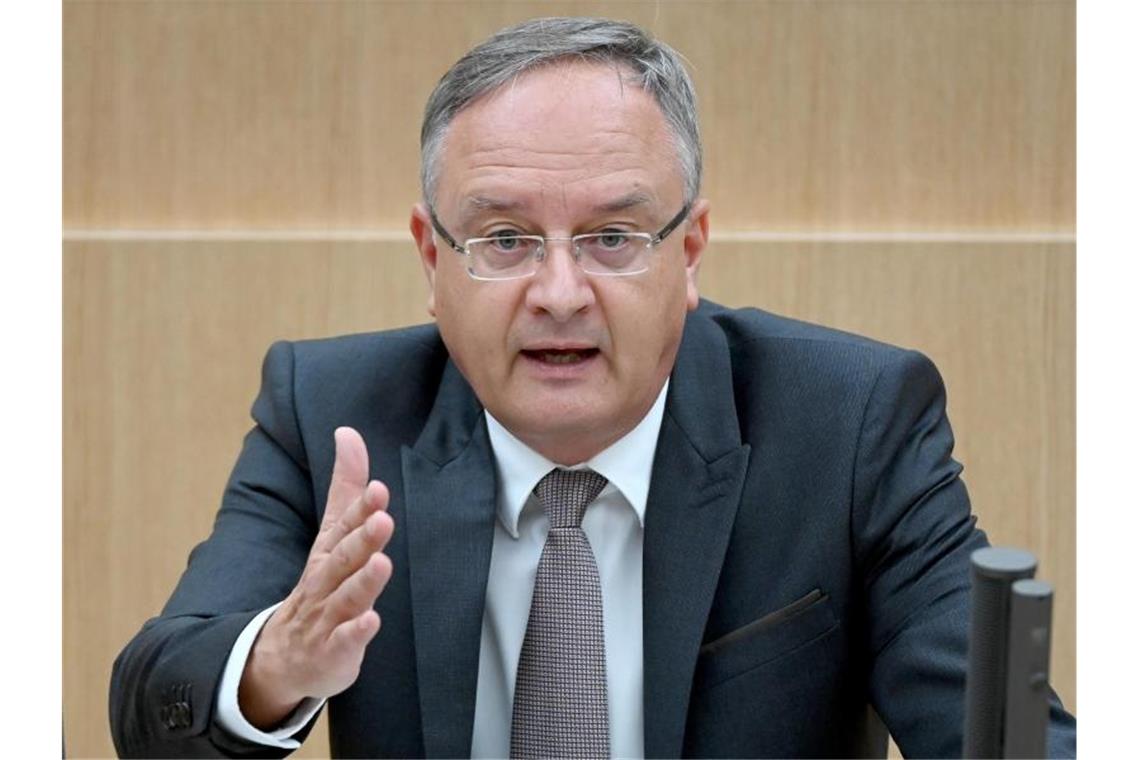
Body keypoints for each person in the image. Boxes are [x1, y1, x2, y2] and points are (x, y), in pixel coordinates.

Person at [109, 16, 1076, 759]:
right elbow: (155, 697)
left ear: (688, 253)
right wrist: (276, 664)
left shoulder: (850, 422)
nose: (560, 294)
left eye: (613, 238)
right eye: (504, 240)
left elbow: (997, 731)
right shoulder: (334, 414)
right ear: (431, 258)